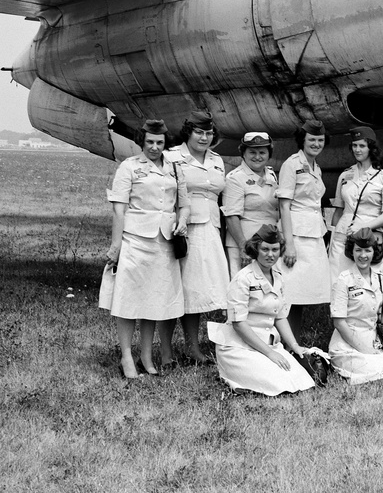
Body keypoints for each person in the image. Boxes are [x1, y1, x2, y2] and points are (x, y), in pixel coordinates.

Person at [101, 119, 187, 378]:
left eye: (159, 142)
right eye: (150, 142)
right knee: (129, 299)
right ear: (142, 141)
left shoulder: (174, 168)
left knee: (154, 298)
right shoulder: (129, 167)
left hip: (164, 241)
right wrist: (116, 245)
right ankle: (127, 356)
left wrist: (182, 220)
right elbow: (119, 208)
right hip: (136, 240)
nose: (154, 147)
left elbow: (184, 203)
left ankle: (147, 356)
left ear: (165, 143)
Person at [208, 225, 315, 396]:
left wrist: (295, 346)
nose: (270, 255)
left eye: (275, 249)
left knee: (301, 381)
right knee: (277, 383)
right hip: (239, 347)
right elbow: (238, 324)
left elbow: (280, 317)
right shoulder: (243, 278)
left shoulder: (278, 278)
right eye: (265, 249)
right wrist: (270, 353)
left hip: (269, 343)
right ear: (255, 249)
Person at [165, 110, 229, 364]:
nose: (204, 138)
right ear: (188, 132)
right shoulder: (172, 157)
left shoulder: (217, 160)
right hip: (182, 230)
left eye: (208, 133)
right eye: (199, 132)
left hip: (209, 228)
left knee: (197, 292)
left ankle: (193, 348)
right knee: (174, 290)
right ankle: (167, 351)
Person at [329, 228, 383, 384]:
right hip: (347, 345)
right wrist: (363, 349)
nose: (362, 255)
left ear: (374, 252)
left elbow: (380, 311)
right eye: (358, 250)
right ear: (352, 252)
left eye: (367, 250)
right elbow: (339, 322)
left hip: (373, 343)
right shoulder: (344, 280)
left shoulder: (379, 278)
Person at [277, 120, 331, 340]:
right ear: (302, 140)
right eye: (312, 140)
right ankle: (284, 342)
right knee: (288, 294)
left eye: (320, 140)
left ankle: (294, 342)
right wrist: (289, 244)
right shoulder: (292, 164)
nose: (316, 144)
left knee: (299, 294)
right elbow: (284, 205)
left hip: (314, 234)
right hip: (296, 236)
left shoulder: (315, 166)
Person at [330, 126, 383, 281]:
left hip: (370, 238)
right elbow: (338, 210)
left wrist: (363, 227)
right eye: (354, 145)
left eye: (362, 146)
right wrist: (333, 234)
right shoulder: (345, 175)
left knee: (371, 284)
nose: (357, 150)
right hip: (343, 237)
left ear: (371, 148)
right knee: (339, 282)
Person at [221, 132, 279, 278]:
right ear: (243, 154)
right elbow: (231, 216)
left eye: (262, 152)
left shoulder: (271, 175)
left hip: (269, 244)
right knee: (245, 289)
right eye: (252, 152)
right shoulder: (235, 178)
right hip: (247, 244)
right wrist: (243, 246)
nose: (257, 157)